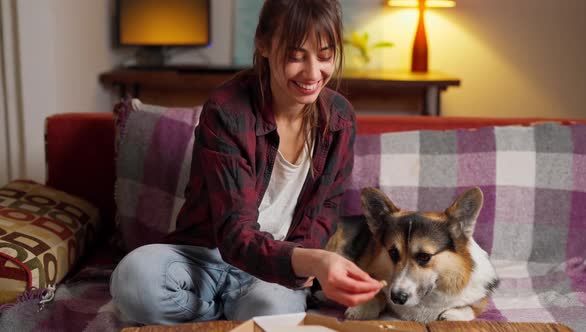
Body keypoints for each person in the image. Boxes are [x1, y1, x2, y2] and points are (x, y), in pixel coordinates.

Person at [110, 0, 383, 325]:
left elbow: (325, 210)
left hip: (277, 270)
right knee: (133, 280)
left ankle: (226, 319)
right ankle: (225, 319)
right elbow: (234, 234)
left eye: (325, 55)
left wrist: (308, 260)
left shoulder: (340, 119)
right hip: (207, 255)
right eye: (296, 56)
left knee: (273, 312)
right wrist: (313, 261)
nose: (313, 73)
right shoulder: (227, 110)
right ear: (264, 44)